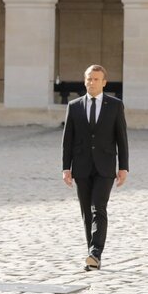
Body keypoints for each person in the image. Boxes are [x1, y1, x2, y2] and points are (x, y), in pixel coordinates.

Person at [62, 64, 129, 271]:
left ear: (104, 82)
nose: (92, 82)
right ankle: (92, 254)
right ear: (85, 81)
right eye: (89, 79)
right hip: (81, 166)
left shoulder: (115, 105)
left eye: (96, 79)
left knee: (98, 208)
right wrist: (66, 167)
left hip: (105, 166)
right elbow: (67, 140)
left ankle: (95, 252)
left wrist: (123, 167)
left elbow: (122, 138)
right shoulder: (74, 106)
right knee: (86, 211)